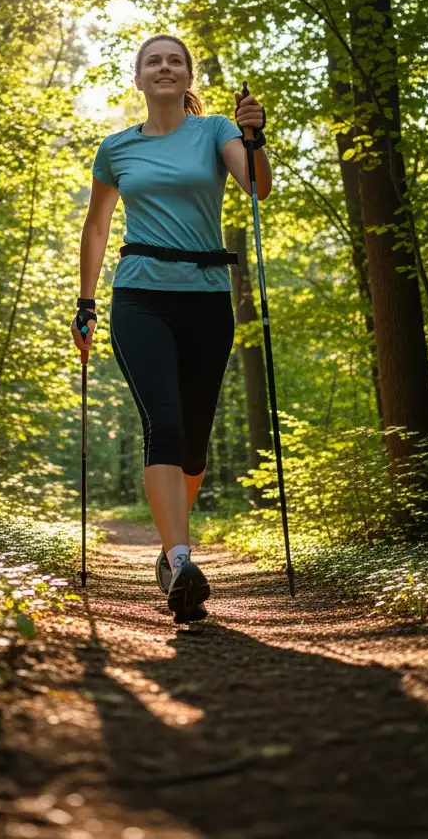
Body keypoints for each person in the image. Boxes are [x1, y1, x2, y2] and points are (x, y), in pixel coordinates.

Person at [71, 33, 272, 624]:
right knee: (164, 421)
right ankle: (182, 561)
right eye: (153, 61)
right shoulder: (116, 149)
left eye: (174, 61)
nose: (164, 68)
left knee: (195, 443)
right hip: (140, 298)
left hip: (208, 300)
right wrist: (86, 303)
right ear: (138, 79)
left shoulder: (215, 132)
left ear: (188, 78)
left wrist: (255, 138)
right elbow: (97, 228)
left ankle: (168, 556)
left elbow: (257, 187)